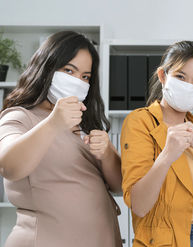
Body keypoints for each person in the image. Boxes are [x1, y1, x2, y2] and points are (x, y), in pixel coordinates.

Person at [0, 31, 121, 247]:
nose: (78, 82)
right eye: (68, 70)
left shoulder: (84, 124)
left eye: (85, 77)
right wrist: (54, 123)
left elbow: (120, 186)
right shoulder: (21, 116)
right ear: (46, 68)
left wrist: (108, 153)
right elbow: (9, 166)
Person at [120, 41, 193, 247]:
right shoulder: (140, 122)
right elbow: (139, 205)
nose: (188, 86)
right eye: (180, 77)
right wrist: (167, 155)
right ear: (162, 76)